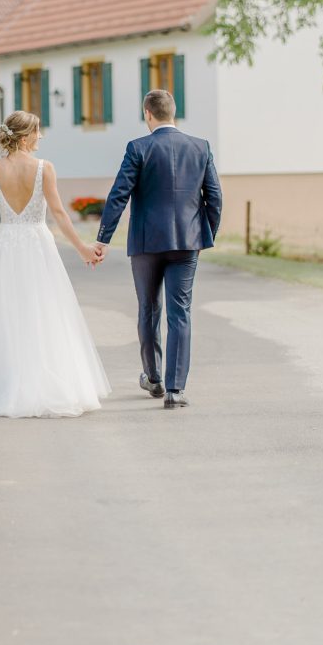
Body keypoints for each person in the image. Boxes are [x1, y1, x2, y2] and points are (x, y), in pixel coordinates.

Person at [0, 110, 111, 418]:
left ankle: (7, 383)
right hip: (37, 244)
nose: (41, 137)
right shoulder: (44, 168)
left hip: (5, 245)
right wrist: (83, 249)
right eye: (37, 132)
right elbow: (60, 214)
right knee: (44, 311)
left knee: (8, 314)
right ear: (24, 138)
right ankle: (40, 381)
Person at [94, 89, 222, 409]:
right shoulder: (200, 147)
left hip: (146, 243)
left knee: (149, 309)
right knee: (181, 312)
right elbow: (215, 198)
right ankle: (175, 389)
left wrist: (103, 238)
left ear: (147, 114)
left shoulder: (138, 148)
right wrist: (204, 235)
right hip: (187, 243)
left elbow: (118, 195)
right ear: (173, 112)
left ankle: (153, 378)